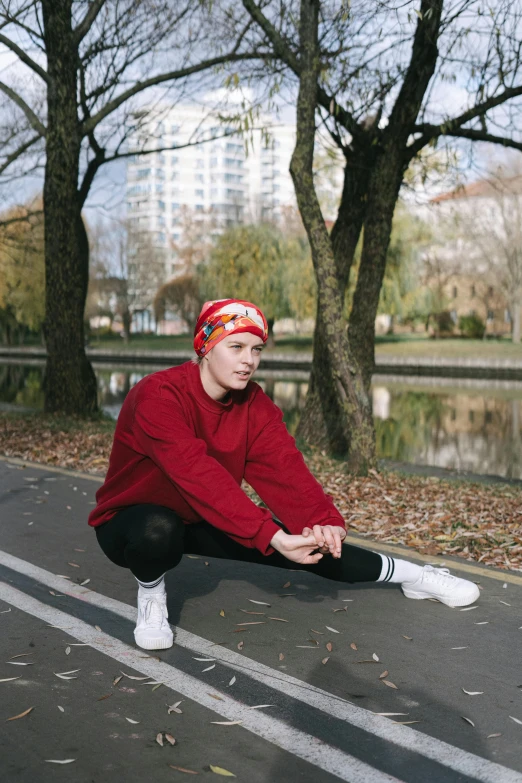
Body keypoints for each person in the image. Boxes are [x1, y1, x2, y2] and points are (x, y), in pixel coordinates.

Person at [88, 298, 480, 651]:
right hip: (131, 521)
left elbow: (284, 469)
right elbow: (198, 474)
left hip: (203, 515)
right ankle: (151, 592)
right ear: (206, 348)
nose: (249, 361)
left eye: (256, 349)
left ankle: (415, 577)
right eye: (236, 347)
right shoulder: (158, 396)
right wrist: (269, 534)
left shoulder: (252, 403)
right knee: (159, 530)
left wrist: (322, 521)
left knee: (307, 548)